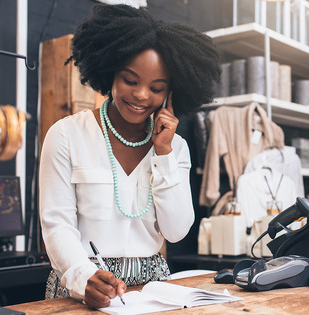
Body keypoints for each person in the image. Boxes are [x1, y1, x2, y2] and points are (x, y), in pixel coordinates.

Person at [39, 3, 220, 308]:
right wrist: (85, 278)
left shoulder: (176, 148)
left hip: (154, 290)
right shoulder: (66, 135)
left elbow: (176, 232)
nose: (141, 95)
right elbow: (57, 225)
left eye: (156, 87)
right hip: (82, 284)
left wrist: (163, 152)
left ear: (170, 94)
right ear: (110, 72)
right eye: (130, 80)